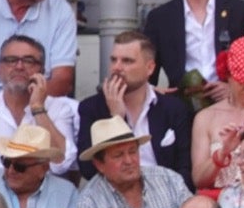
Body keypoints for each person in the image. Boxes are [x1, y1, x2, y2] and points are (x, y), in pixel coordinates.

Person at [75, 32, 192, 181]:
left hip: (166, 196)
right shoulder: (91, 108)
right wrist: (116, 120)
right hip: (114, 197)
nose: (117, 67)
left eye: (127, 61)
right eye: (113, 60)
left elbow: (185, 170)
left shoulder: (173, 109)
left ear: (150, 68)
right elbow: (88, 170)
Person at [0, 39, 75, 182]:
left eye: (29, 61)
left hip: (43, 197)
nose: (19, 66)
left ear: (42, 71)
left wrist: (38, 108)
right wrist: (23, 178)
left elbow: (62, 162)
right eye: (11, 60)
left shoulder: (59, 109)